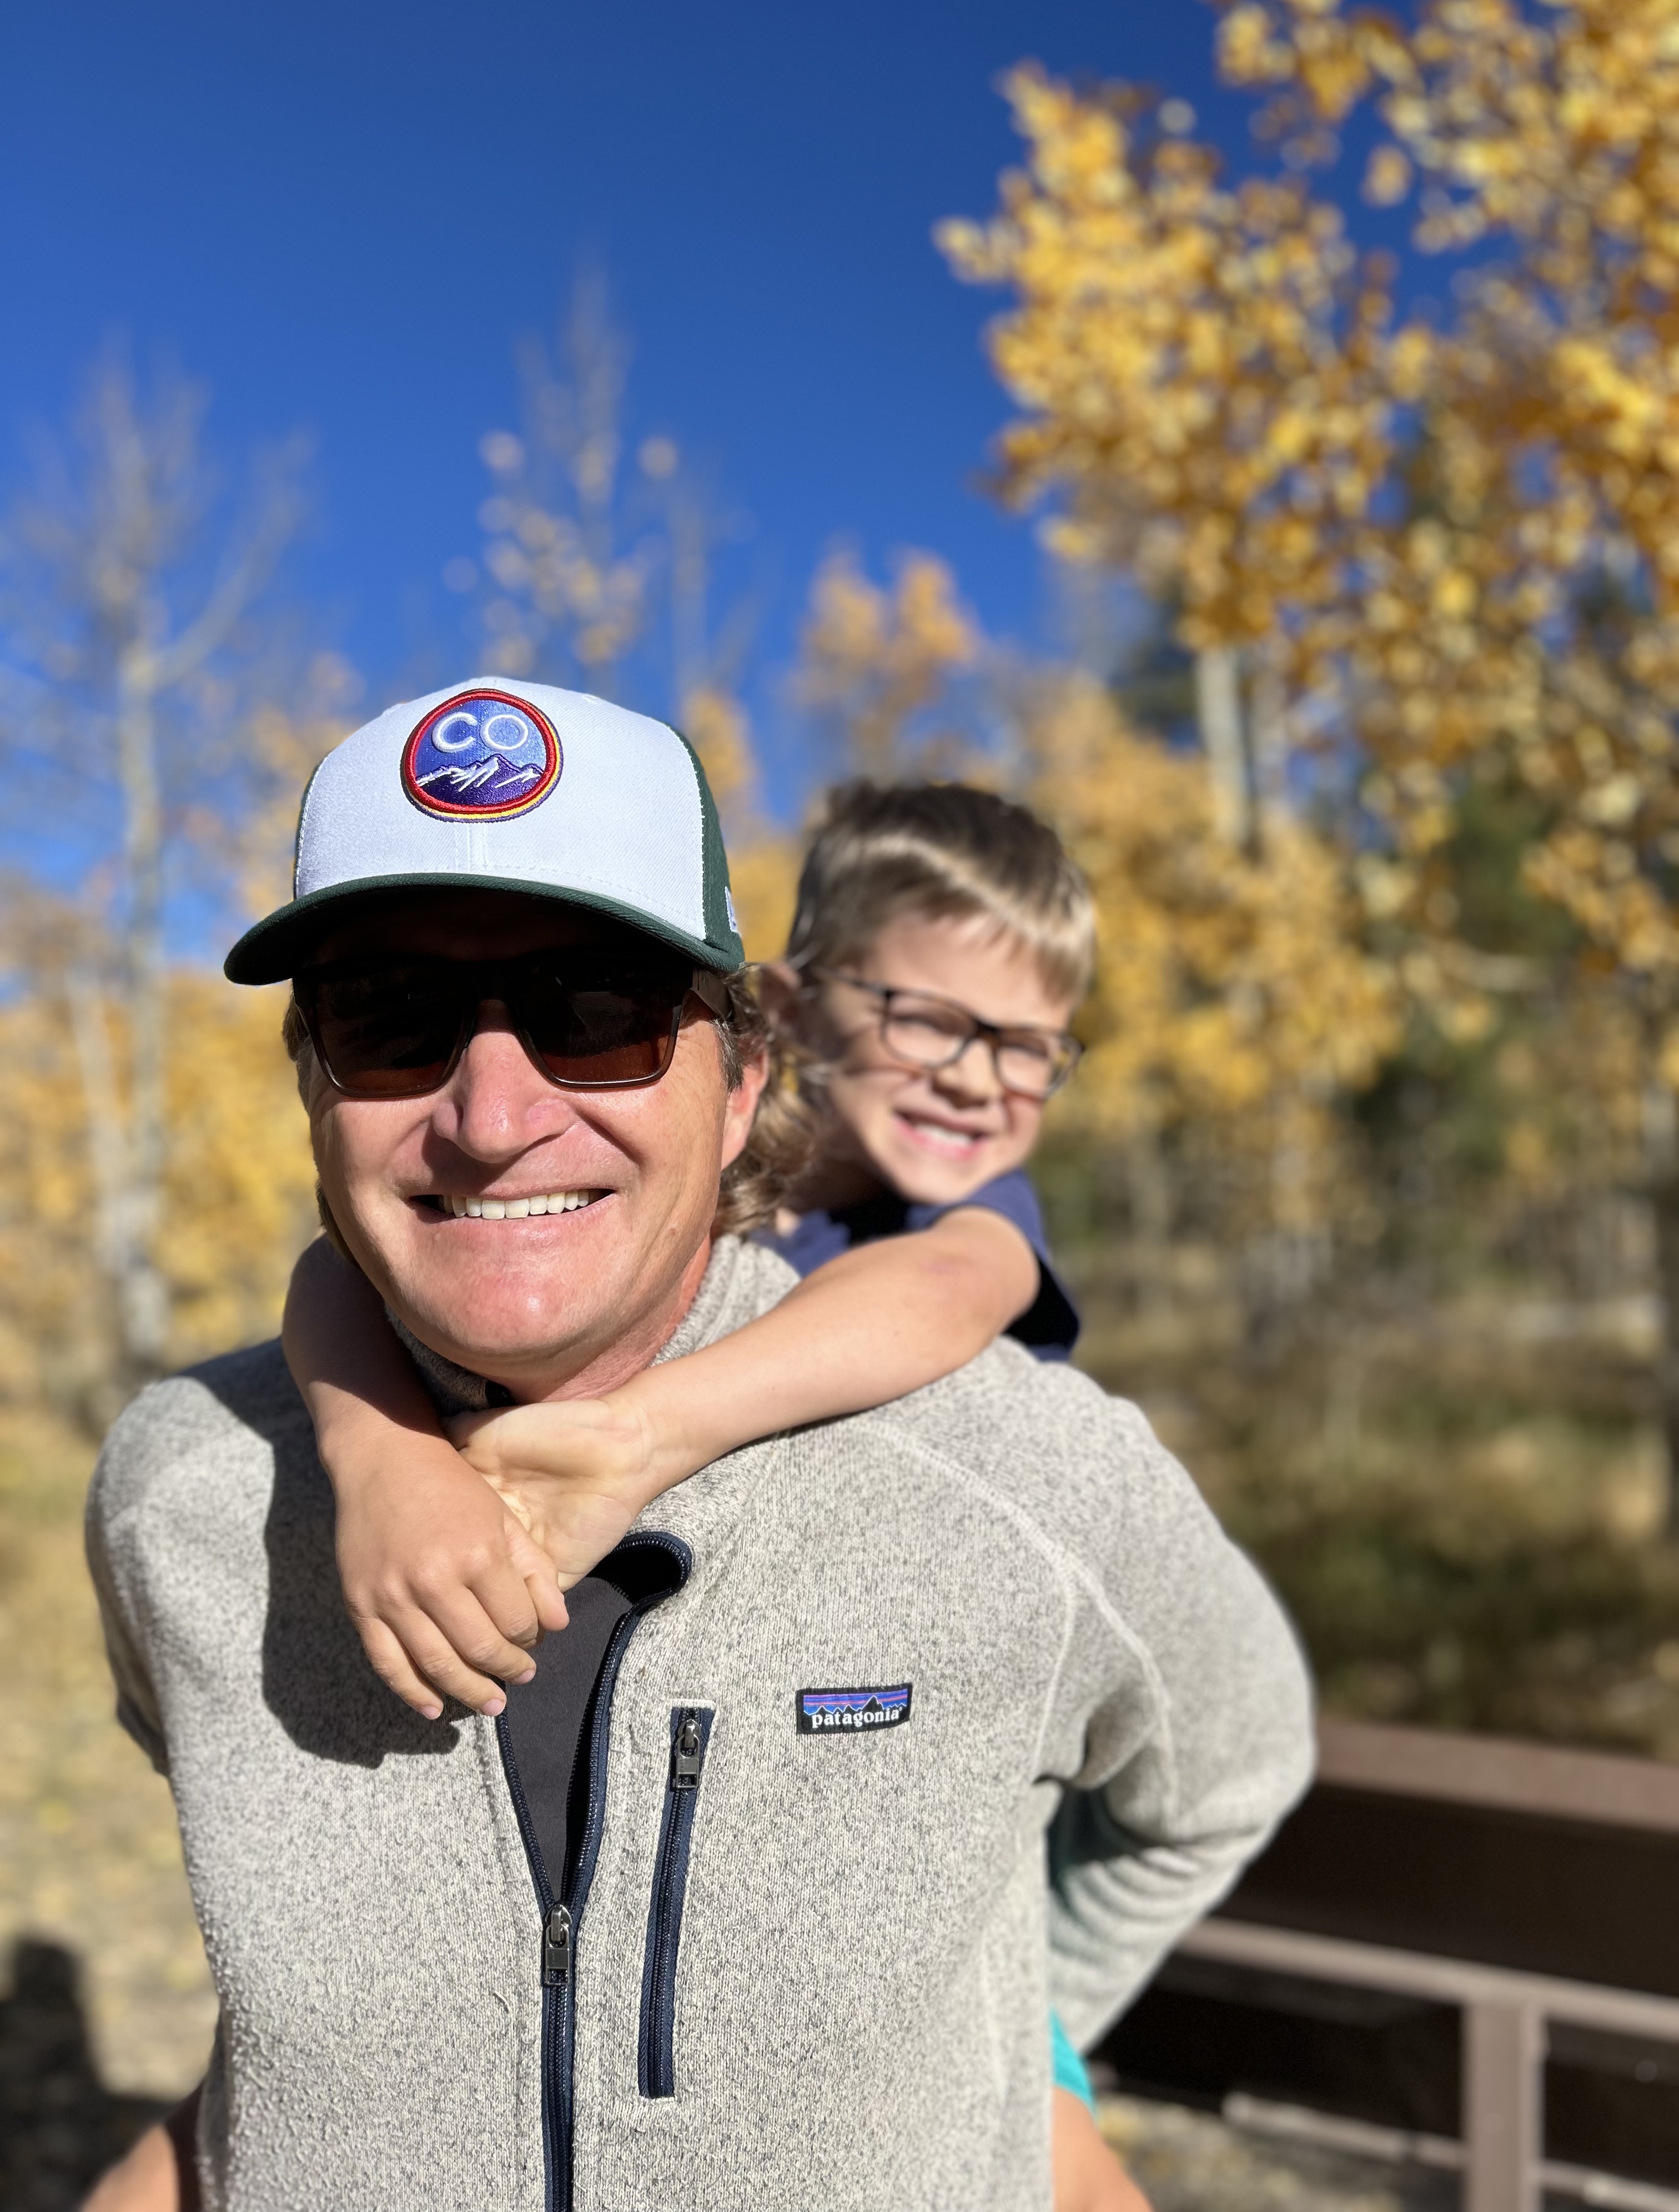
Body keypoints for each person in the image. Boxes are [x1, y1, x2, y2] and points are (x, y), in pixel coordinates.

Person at [83, 677, 1314, 2211]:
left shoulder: (1015, 1461)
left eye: (597, 1011)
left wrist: (1001, 2055)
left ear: (743, 1079)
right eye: (386, 1016)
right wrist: (371, 1446)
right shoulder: (182, 1492)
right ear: (311, 1085)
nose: (491, 1114)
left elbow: (1234, 1761)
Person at [278, 777, 1140, 2207]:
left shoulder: (967, 1224)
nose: (977, 1079)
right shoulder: (686, 1169)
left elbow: (940, 1296)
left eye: (1032, 1046)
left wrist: (639, 1436)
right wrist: (380, 1458)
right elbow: (329, 1268)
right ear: (788, 1013)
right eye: (928, 1019)